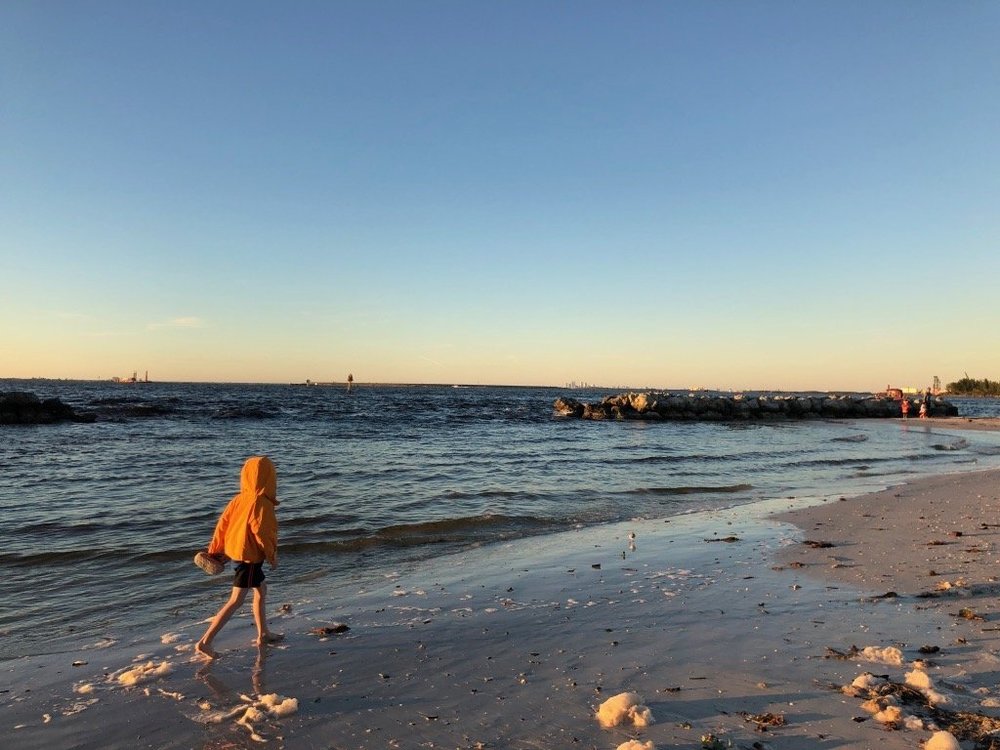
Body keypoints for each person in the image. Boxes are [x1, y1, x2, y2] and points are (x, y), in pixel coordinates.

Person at [196, 456, 283, 659]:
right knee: (236, 600)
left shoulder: (239, 499)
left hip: (236, 552)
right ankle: (205, 642)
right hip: (249, 558)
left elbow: (222, 525)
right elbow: (263, 532)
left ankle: (263, 634)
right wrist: (271, 555)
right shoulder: (261, 502)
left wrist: (215, 550)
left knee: (261, 590)